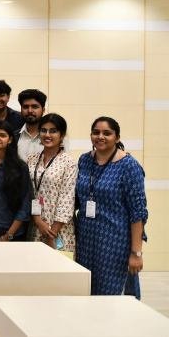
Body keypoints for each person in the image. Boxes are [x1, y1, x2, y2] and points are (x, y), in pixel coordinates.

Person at [76, 117, 148, 298]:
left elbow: (138, 213)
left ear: (117, 137)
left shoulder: (129, 166)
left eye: (107, 133)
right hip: (85, 241)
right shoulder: (84, 160)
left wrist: (136, 252)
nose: (100, 137)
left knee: (110, 297)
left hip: (114, 243)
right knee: (84, 292)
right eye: (96, 132)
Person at [26, 113, 76, 252]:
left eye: (53, 131)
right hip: (35, 224)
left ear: (62, 135)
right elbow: (28, 192)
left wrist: (51, 233)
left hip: (59, 229)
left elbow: (67, 198)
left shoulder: (69, 163)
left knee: (58, 264)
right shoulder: (31, 159)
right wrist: (38, 221)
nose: (47, 135)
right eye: (44, 130)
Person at [17, 89, 47, 161]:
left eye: (35, 107)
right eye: (25, 107)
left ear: (43, 110)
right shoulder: (14, 137)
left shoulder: (52, 137)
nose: (30, 111)